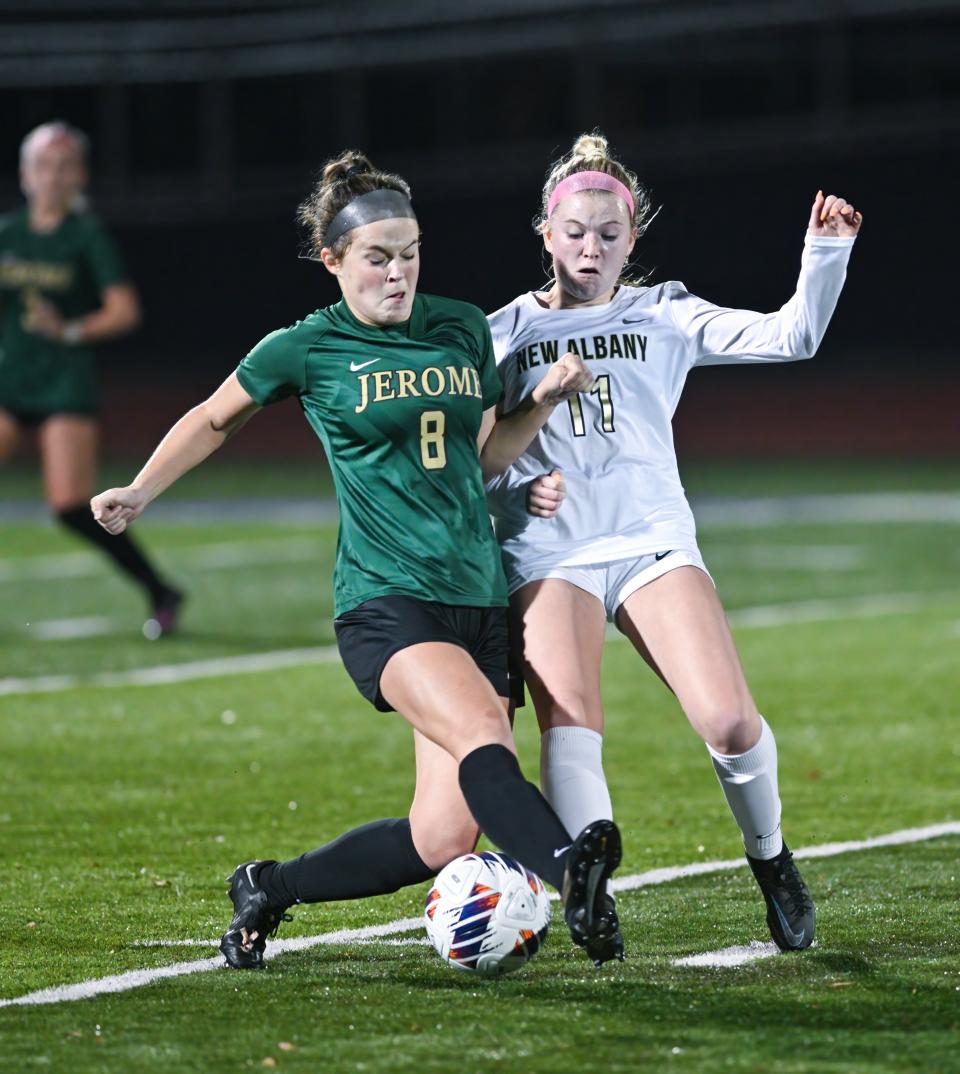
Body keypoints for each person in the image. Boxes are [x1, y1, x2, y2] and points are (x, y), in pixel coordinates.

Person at [91, 150, 623, 971]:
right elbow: (212, 418)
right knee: (486, 730)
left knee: (442, 835)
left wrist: (542, 401)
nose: (399, 271)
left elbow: (480, 458)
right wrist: (140, 489)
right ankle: (570, 873)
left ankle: (268, 887)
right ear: (333, 260)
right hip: (385, 600)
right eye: (378, 257)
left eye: (410, 253)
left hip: (476, 596)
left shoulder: (459, 326)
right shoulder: (307, 347)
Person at [486, 132, 862, 957]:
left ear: (634, 239)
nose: (592, 248)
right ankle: (593, 896)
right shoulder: (499, 334)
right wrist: (517, 486)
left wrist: (824, 255)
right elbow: (472, 464)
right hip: (551, 553)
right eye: (576, 232)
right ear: (545, 233)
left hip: (652, 540)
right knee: (572, 725)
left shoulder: (663, 313)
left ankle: (771, 861)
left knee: (728, 722)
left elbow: (792, 336)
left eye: (609, 235)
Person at [0, 120, 182, 638]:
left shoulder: (85, 235)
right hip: (11, 378)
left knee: (70, 509)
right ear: (23, 173)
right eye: (42, 165)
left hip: (63, 383)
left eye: (63, 166)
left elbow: (124, 310)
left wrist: (70, 328)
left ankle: (160, 589)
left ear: (79, 175)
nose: (51, 177)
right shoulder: (8, 234)